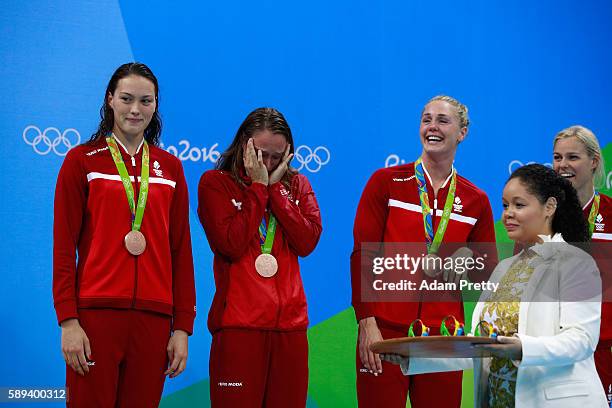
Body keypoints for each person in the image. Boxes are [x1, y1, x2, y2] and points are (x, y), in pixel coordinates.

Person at [383, 164, 608, 407]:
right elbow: (481, 349)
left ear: (550, 207)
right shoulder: (504, 268)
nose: (508, 214)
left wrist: (521, 348)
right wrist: (414, 357)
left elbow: (581, 341)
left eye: (519, 205)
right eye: (505, 205)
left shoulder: (576, 262)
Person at [53, 62, 196, 407]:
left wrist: (182, 328)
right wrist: (68, 321)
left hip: (154, 320)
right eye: (127, 98)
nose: (136, 109)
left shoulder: (171, 167)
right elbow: (63, 247)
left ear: (156, 105)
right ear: (110, 100)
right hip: (96, 317)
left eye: (146, 101)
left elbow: (181, 251)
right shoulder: (81, 161)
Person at [350, 95, 497, 407]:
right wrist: (367, 322)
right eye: (426, 119)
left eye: (443, 120)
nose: (432, 126)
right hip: (386, 332)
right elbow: (363, 255)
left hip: (443, 338)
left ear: (462, 132)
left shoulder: (476, 200)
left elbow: (487, 272)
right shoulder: (386, 182)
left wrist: (468, 258)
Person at [197, 107, 322, 407]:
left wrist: (275, 189)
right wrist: (257, 188)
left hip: (290, 330)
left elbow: (307, 241)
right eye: (260, 154)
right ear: (244, 145)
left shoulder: (298, 185)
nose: (267, 164)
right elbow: (231, 244)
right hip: (239, 329)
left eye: (276, 157)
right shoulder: (215, 183)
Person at [553, 125, 611, 404]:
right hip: (554, 345)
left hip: (604, 346)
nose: (563, 165)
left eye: (572, 157)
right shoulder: (541, 216)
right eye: (557, 157)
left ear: (594, 162)